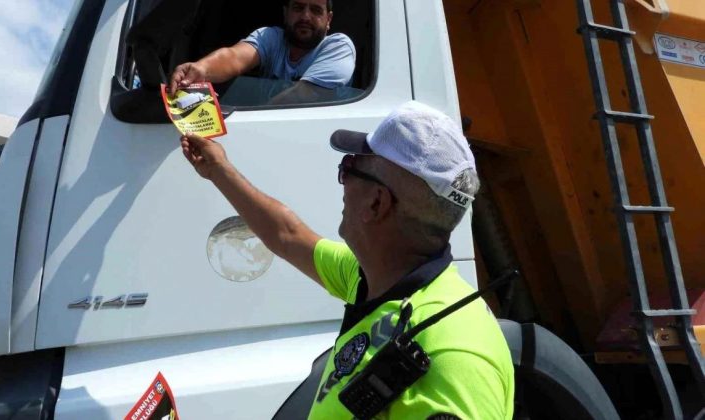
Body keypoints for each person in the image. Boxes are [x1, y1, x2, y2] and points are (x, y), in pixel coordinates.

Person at [179, 101, 514, 419]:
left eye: (350, 168)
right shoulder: (374, 278)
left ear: (376, 203)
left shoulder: (453, 361)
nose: (342, 182)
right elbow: (288, 235)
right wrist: (219, 170)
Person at [169, 0, 356, 105]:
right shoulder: (271, 37)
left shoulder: (338, 46)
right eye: (298, 8)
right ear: (286, 13)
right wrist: (201, 69)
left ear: (328, 19)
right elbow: (234, 57)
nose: (305, 16)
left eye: (315, 10)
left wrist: (253, 115)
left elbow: (303, 95)